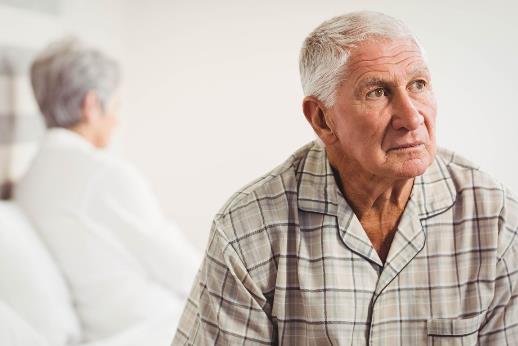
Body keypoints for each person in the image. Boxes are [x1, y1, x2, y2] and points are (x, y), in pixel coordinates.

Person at [172, 11, 518, 345]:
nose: (412, 118)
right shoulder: (247, 231)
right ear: (322, 119)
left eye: (418, 84)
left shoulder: (495, 219)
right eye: (377, 92)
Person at [14, 38, 200, 344]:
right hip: (154, 327)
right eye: (115, 105)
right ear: (91, 105)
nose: (116, 120)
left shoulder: (30, 179)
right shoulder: (102, 174)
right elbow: (184, 270)